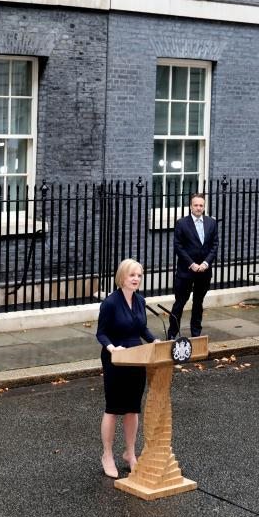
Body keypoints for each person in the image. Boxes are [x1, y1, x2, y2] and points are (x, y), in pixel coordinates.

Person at [95, 258, 156, 479]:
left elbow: (142, 329)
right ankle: (107, 455)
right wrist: (112, 348)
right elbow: (101, 333)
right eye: (132, 275)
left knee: (132, 408)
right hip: (116, 359)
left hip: (136, 358)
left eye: (139, 275)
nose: (136, 279)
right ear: (122, 277)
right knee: (113, 408)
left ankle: (130, 453)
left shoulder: (140, 300)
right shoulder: (110, 303)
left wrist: (154, 341)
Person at [170, 193, 219, 338]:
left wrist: (205, 263)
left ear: (204, 207)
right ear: (191, 206)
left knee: (198, 303)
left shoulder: (211, 223)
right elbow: (178, 246)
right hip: (186, 271)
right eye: (196, 205)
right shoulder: (181, 223)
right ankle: (172, 333)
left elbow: (214, 245)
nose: (198, 208)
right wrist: (191, 264)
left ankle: (196, 333)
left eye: (201, 205)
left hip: (204, 271)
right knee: (180, 303)